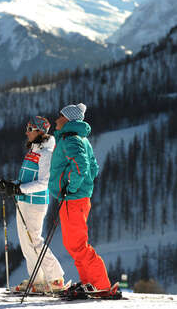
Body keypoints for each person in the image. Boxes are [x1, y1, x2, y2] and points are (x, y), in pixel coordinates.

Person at [48, 103, 112, 293]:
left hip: (73, 199)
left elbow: (82, 166)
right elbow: (93, 168)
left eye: (60, 115)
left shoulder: (71, 140)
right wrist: (79, 187)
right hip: (76, 199)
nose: (56, 119)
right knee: (74, 245)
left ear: (68, 119)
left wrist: (72, 187)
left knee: (77, 245)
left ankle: (101, 285)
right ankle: (89, 283)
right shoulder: (80, 139)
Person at [1, 116, 65, 293]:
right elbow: (27, 178)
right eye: (27, 128)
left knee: (35, 240)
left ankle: (55, 278)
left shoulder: (46, 153)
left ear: (40, 131)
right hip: (24, 202)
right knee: (26, 242)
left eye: (30, 129)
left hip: (35, 203)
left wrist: (18, 189)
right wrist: (11, 185)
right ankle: (37, 279)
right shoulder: (34, 150)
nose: (26, 132)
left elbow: (44, 182)